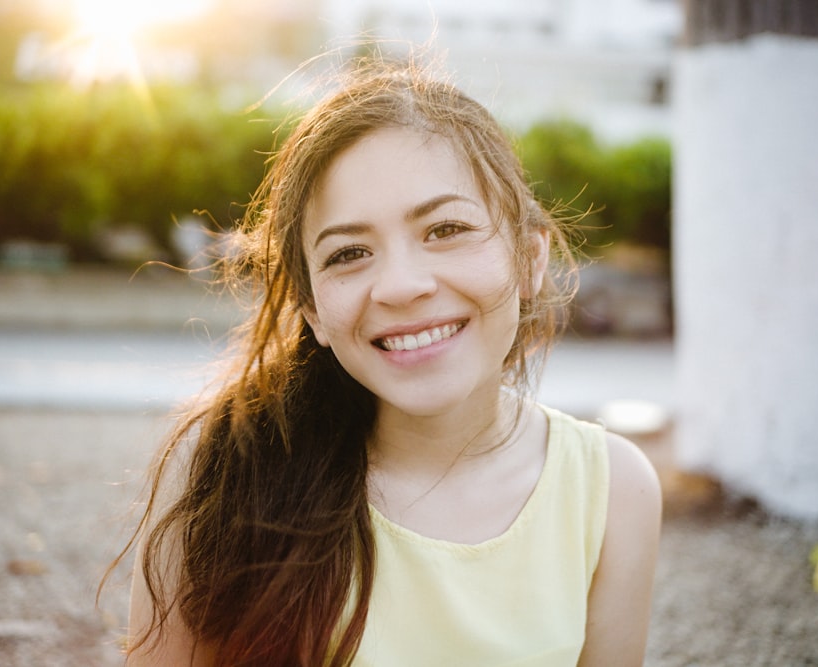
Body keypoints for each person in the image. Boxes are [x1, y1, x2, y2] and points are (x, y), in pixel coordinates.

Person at [109, 52, 661, 667]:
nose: (400, 286)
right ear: (313, 310)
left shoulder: (614, 489)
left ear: (530, 259)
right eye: (348, 254)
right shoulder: (224, 471)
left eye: (446, 229)